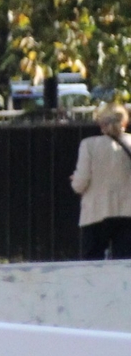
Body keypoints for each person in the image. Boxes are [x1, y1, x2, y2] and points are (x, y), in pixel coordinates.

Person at [71, 104, 131, 260]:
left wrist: (75, 180)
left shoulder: (89, 145)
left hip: (96, 213)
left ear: (101, 124)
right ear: (124, 122)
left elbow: (80, 184)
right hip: (128, 213)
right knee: (125, 265)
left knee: (92, 265)